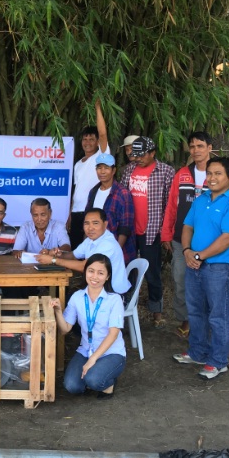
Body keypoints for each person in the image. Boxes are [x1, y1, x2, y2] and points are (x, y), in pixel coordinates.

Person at [173, 157, 229, 380]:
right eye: (210, 173)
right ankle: (197, 352)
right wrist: (187, 251)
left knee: (219, 315)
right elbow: (187, 226)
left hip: (220, 268)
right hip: (194, 263)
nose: (212, 178)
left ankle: (218, 361)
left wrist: (199, 255)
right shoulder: (201, 199)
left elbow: (228, 238)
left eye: (218, 173)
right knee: (195, 310)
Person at [161, 131, 214, 338]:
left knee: (207, 283)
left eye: (200, 146)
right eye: (192, 147)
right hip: (180, 240)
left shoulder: (218, 173)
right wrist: (166, 233)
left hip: (209, 243)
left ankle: (205, 322)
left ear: (210, 148)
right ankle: (186, 320)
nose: (196, 150)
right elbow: (172, 207)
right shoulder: (182, 174)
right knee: (181, 279)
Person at [51, 253, 126, 399]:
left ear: (107, 276)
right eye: (91, 271)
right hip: (86, 350)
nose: (94, 277)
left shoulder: (114, 299)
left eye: (100, 273)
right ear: (85, 272)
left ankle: (108, 383)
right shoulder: (77, 297)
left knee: (94, 380)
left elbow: (113, 334)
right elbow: (65, 329)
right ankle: (95, 375)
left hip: (111, 353)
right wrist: (58, 311)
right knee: (71, 386)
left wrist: (92, 360)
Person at [120, 136, 175, 328]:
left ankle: (156, 314)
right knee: (127, 271)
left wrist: (166, 231)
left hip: (151, 231)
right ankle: (126, 310)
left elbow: (170, 204)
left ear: (153, 153)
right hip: (129, 231)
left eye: (142, 155)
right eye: (135, 155)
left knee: (152, 273)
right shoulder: (128, 170)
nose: (138, 158)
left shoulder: (166, 172)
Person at [36, 208, 130, 296]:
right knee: (65, 298)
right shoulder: (91, 239)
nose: (90, 228)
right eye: (86, 223)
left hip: (113, 294)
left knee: (65, 299)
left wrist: (53, 260)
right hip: (97, 288)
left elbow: (84, 266)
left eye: (95, 223)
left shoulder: (107, 244)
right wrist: (56, 253)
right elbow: (73, 255)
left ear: (105, 225)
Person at [68, 99, 110, 248]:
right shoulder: (78, 164)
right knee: (76, 248)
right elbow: (76, 190)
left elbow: (103, 134)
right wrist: (69, 215)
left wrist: (98, 108)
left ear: (97, 142)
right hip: (76, 212)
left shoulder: (100, 157)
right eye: (85, 139)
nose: (87, 142)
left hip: (91, 212)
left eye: (91, 139)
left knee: (91, 249)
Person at [85, 153, 136, 265]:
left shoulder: (123, 194)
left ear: (113, 171)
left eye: (106, 168)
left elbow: (125, 227)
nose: (102, 171)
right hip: (96, 249)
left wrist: (115, 252)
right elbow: (87, 221)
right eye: (99, 168)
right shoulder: (93, 192)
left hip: (117, 251)